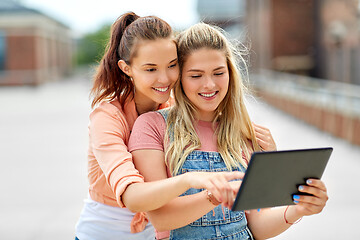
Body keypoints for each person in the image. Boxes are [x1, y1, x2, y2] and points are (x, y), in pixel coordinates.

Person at [128, 23, 329, 240]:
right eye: (196, 76)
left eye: (218, 73)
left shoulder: (246, 134)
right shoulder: (152, 126)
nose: (209, 84)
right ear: (179, 79)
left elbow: (257, 226)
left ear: (230, 72)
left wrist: (299, 208)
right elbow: (161, 218)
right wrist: (214, 196)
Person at [75, 12, 246, 240]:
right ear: (127, 69)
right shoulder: (107, 118)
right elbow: (132, 196)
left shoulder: (173, 109)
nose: (164, 79)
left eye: (172, 65)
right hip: (107, 233)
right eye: (150, 69)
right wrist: (190, 179)